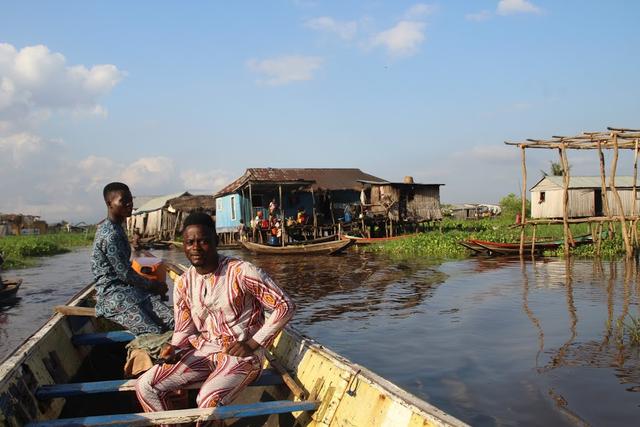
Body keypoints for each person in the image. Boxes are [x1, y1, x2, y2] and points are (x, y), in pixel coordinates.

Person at [135, 212, 295, 415]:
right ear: (183, 245)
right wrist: (174, 348)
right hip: (204, 351)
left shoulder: (241, 271)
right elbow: (184, 329)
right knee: (145, 386)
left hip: (243, 357)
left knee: (207, 400)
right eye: (189, 242)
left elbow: (284, 306)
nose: (195, 248)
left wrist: (252, 344)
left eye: (203, 241)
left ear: (216, 241)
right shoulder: (184, 282)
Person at [91, 182, 174, 336]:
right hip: (112, 295)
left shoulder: (116, 227)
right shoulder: (110, 235)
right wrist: (154, 285)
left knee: (173, 320)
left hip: (128, 289)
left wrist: (151, 286)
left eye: (130, 199)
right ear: (110, 204)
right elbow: (125, 274)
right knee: (153, 333)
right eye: (124, 201)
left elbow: (126, 272)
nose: (129, 204)